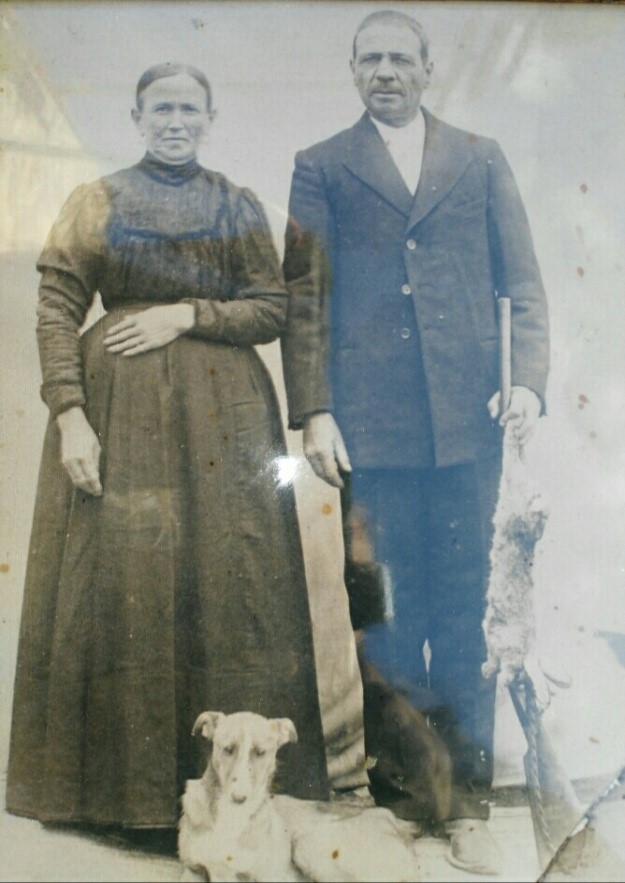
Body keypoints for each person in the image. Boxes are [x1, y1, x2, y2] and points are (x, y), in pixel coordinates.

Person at [6, 62, 329, 837]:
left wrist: (185, 313)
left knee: (224, 585)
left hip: (223, 426)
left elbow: (271, 308)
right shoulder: (98, 201)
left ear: (209, 117)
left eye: (189, 108)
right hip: (121, 417)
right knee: (128, 586)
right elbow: (56, 306)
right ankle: (123, 801)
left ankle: (239, 797)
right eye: (161, 109)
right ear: (137, 115)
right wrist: (69, 414)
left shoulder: (236, 204)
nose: (174, 121)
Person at [281, 10, 549, 875]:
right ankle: (407, 802)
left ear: (427, 68)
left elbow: (525, 284)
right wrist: (314, 410)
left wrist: (526, 383)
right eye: (370, 58)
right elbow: (304, 298)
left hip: (466, 431)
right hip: (371, 437)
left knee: (460, 618)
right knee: (386, 624)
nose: (385, 70)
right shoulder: (320, 166)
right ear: (352, 69)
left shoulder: (478, 154)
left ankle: (465, 806)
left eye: (401, 57)